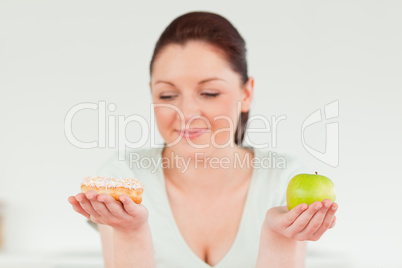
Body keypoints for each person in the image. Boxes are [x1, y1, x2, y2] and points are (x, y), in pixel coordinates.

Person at [68, 11, 338, 268]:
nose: (185, 113)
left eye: (209, 93)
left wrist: (278, 237)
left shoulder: (283, 180)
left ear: (246, 94)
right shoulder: (122, 177)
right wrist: (131, 232)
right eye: (167, 96)